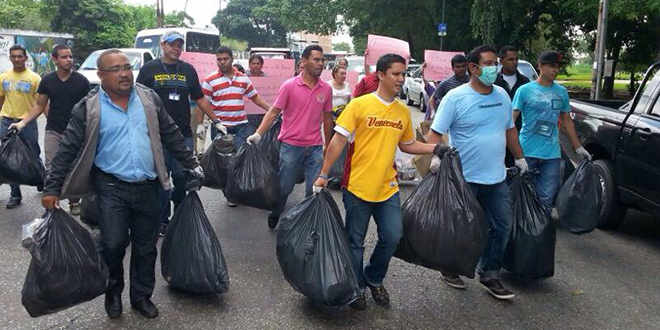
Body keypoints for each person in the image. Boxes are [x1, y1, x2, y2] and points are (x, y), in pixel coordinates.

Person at [41, 49, 203, 319]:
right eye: (115, 69)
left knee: (146, 246)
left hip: (148, 186)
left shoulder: (149, 99)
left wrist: (191, 163)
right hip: (111, 188)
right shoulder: (89, 107)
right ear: (101, 75)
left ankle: (141, 297)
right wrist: (51, 188)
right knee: (113, 244)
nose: (124, 73)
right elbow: (67, 149)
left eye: (127, 67)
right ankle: (113, 292)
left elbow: (171, 133)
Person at [314, 54, 446, 310]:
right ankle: (357, 287)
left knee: (393, 236)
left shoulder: (402, 111)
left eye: (403, 74)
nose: (401, 79)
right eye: (396, 74)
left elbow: (407, 144)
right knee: (355, 241)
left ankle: (373, 277)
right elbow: (338, 140)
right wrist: (323, 172)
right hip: (357, 187)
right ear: (381, 75)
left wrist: (435, 148)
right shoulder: (359, 105)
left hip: (387, 188)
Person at [427, 45, 527, 300]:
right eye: (490, 63)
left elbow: (509, 130)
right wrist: (436, 156)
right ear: (474, 68)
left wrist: (520, 157)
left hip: (496, 177)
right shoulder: (455, 98)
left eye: (496, 63)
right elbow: (434, 133)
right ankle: (450, 268)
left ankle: (489, 272)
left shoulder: (503, 95)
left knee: (502, 225)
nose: (495, 67)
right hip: (464, 178)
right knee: (461, 228)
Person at [136, 31, 224, 236]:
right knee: (161, 179)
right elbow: (138, 99)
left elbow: (200, 98)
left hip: (182, 134)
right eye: (172, 45)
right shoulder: (149, 70)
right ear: (163, 45)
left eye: (179, 45)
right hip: (156, 136)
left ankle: (181, 212)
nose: (177, 49)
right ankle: (162, 220)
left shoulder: (188, 70)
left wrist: (216, 120)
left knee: (182, 176)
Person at [246, 45, 333, 229]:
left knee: (313, 190)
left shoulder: (326, 89)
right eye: (316, 59)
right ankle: (276, 211)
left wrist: (328, 145)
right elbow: (273, 112)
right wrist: (258, 134)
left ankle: (304, 226)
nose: (321, 64)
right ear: (304, 62)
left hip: (315, 148)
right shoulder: (289, 86)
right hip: (290, 147)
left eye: (322, 60)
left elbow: (327, 119)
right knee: (285, 188)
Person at [9, 44, 90, 215]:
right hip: (54, 130)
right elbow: (39, 105)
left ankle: (75, 201)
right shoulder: (48, 80)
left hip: (76, 133)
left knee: (73, 167)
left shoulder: (81, 81)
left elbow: (89, 108)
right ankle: (53, 205)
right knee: (52, 168)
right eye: (64, 57)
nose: (69, 60)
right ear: (55, 59)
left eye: (70, 56)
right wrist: (22, 123)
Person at [512, 50, 591, 214]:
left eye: (557, 67)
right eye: (551, 66)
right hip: (527, 151)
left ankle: (540, 233)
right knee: (524, 195)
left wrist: (577, 147)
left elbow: (566, 121)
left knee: (547, 197)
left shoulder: (561, 92)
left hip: (552, 154)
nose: (555, 70)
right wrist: (512, 150)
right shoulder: (524, 90)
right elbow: (511, 121)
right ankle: (522, 233)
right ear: (540, 66)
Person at [0, 45, 42, 209]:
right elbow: (1, 99)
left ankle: (40, 178)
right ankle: (15, 194)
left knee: (33, 153)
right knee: (8, 158)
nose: (17, 59)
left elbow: (39, 103)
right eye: (14, 56)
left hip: (27, 122)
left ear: (26, 58)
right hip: (6, 121)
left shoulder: (35, 78)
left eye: (20, 56)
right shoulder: (4, 77)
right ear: (10, 58)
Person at [428, 54, 468, 119]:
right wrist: (433, 111)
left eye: (463, 66)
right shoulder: (446, 83)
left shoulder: (472, 81)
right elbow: (433, 99)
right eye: (458, 67)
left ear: (467, 66)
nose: (461, 69)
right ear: (453, 68)